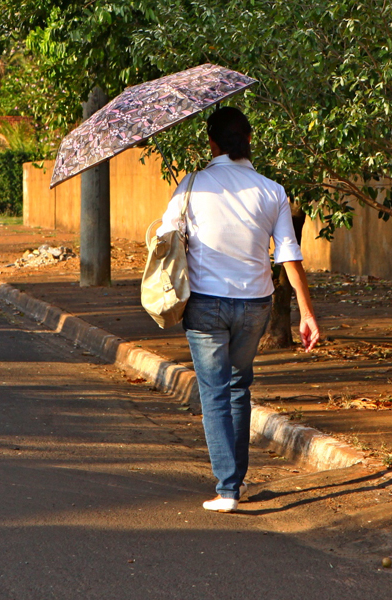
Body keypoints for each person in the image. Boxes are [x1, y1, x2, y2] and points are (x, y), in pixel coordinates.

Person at [156, 106, 321, 513]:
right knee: (238, 386)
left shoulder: (192, 186)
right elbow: (288, 255)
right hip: (255, 307)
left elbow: (162, 237)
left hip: (206, 306)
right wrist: (306, 312)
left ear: (211, 142)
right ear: (249, 140)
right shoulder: (272, 190)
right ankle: (237, 480)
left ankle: (228, 489)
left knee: (213, 393)